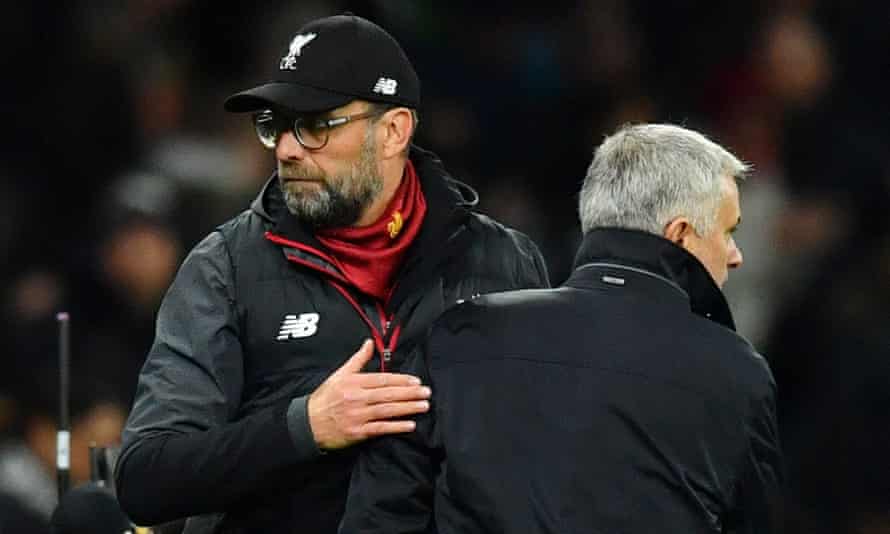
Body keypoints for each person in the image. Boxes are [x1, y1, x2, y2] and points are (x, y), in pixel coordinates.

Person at [113, 12, 549, 534]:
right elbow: (146, 477)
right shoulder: (225, 267)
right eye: (275, 125)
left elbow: (547, 448)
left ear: (393, 131)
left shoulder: (503, 261)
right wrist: (305, 426)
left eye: (316, 124)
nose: (287, 148)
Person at [340, 123, 784, 533]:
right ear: (681, 234)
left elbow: (382, 513)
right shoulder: (735, 373)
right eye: (728, 231)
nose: (735, 255)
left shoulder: (460, 333)